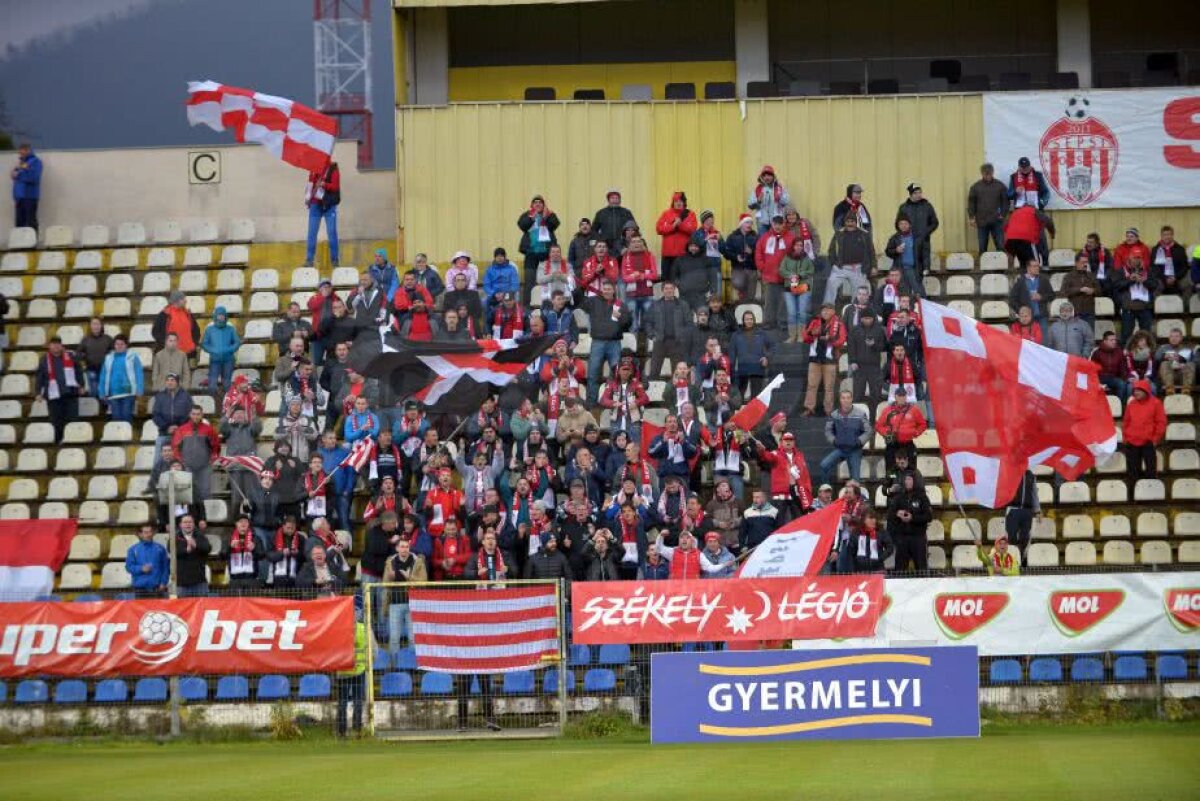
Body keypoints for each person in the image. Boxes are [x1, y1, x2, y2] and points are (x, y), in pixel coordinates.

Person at [748, 432, 812, 526]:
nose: (788, 442)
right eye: (786, 440)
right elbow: (766, 456)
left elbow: (804, 474)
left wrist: (806, 489)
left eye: (790, 440)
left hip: (797, 492)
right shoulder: (776, 454)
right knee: (779, 521)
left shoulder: (799, 455)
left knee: (799, 520)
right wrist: (761, 449)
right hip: (781, 494)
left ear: (794, 442)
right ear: (781, 442)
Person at [382, 536, 427, 649]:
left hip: (413, 603)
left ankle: (414, 665)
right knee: (394, 638)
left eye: (407, 547)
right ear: (397, 548)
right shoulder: (390, 561)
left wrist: (409, 577)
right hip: (394, 603)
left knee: (413, 638)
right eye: (402, 547)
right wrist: (391, 578)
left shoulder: (418, 561)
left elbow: (423, 582)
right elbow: (385, 583)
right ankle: (393, 665)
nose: (404, 549)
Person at [801, 303, 846, 416]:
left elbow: (841, 340)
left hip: (830, 360)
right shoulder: (814, 322)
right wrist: (812, 333)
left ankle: (828, 410)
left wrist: (829, 339)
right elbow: (805, 337)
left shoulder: (839, 324)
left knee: (829, 387)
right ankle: (809, 408)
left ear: (833, 311)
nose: (825, 312)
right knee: (811, 385)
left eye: (828, 310)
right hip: (814, 359)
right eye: (823, 310)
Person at [35, 336, 82, 443]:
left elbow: (78, 371)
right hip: (53, 396)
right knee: (56, 421)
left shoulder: (70, 356)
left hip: (70, 394)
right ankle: (59, 442)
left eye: (58, 343)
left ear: (62, 345)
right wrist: (38, 392)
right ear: (49, 346)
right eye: (53, 343)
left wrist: (81, 385)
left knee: (73, 420)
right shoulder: (44, 360)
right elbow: (39, 377)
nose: (56, 346)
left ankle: (73, 441)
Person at [517, 194, 560, 306]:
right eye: (535, 203)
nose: (537, 204)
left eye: (540, 202)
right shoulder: (527, 215)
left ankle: (549, 304)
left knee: (547, 280)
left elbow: (555, 224)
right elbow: (522, 225)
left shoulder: (550, 214)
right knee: (530, 282)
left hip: (546, 253)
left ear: (543, 205)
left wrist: (545, 217)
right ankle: (528, 307)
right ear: (532, 205)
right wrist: (532, 217)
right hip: (531, 253)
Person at [825, 210, 875, 306]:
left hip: (858, 268)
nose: (850, 224)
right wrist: (834, 264)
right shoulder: (838, 234)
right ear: (845, 222)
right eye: (848, 222)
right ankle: (827, 309)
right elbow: (831, 251)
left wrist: (874, 266)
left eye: (852, 221)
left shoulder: (864, 234)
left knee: (859, 293)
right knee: (831, 283)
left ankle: (855, 311)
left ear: (856, 222)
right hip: (840, 268)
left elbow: (871, 252)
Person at [820, 390, 871, 484]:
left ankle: (856, 497)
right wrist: (834, 440)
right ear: (840, 400)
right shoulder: (834, 415)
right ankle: (826, 490)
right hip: (841, 449)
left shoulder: (860, 414)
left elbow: (868, 431)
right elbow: (828, 431)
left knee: (855, 481)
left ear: (851, 399)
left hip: (855, 450)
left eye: (848, 397)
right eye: (843, 398)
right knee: (824, 465)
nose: (846, 400)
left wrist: (859, 441)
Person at [1123, 379, 1166, 487]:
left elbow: (1161, 422)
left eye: (1138, 390)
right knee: (1133, 472)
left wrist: (1155, 438)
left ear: (1146, 391)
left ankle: (1150, 497)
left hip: (1148, 442)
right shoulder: (1131, 404)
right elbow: (1126, 421)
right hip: (1132, 442)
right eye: (1134, 390)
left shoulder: (1156, 403)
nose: (1136, 392)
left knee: (1151, 470)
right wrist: (1126, 437)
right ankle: (1133, 498)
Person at [171, 405, 220, 502]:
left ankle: (204, 517)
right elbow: (175, 447)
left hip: (204, 467)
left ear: (202, 415)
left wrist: (212, 459)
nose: (196, 416)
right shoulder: (181, 430)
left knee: (205, 493)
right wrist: (181, 462)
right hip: (187, 466)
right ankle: (189, 516)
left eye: (198, 414)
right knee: (186, 492)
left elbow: (216, 446)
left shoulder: (209, 430)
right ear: (190, 414)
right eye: (193, 414)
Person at [754, 214, 794, 331]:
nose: (777, 226)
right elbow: (758, 253)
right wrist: (762, 267)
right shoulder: (765, 238)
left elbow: (795, 254)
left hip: (785, 276)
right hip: (769, 275)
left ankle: (783, 323)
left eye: (779, 224)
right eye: (775, 224)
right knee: (769, 301)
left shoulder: (790, 238)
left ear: (783, 225)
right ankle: (768, 322)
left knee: (784, 301)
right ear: (772, 224)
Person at [334, 598, 367, 737]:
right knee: (358, 700)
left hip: (343, 670)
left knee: (342, 701)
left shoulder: (338, 629)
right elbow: (373, 650)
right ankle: (357, 729)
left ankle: (341, 731)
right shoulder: (362, 628)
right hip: (359, 669)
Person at [645, 281, 691, 379]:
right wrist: (652, 336)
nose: (669, 290)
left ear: (674, 290)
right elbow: (648, 322)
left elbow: (689, 323)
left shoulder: (683, 305)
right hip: (660, 342)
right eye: (666, 288)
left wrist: (683, 336)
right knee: (654, 372)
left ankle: (676, 392)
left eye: (671, 288)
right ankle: (653, 392)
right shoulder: (655, 305)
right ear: (662, 290)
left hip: (677, 343)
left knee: (678, 374)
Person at [895, 183, 939, 284]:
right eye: (916, 193)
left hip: (923, 242)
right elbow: (898, 224)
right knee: (909, 269)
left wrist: (925, 232)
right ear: (910, 194)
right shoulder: (904, 207)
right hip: (908, 243)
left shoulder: (927, 206)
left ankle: (921, 293)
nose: (918, 195)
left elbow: (935, 223)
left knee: (922, 270)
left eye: (920, 192)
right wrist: (905, 235)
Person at [875, 386, 927, 471]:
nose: (901, 398)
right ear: (895, 397)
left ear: (906, 397)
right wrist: (887, 432)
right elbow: (878, 425)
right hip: (893, 442)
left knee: (911, 465)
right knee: (890, 464)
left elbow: (923, 424)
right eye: (899, 396)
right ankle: (891, 481)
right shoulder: (887, 410)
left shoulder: (914, 410)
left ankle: (910, 481)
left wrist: (916, 432)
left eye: (903, 396)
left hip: (908, 442)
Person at [887, 474, 931, 572]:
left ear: (914, 481)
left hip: (918, 537)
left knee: (921, 568)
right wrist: (898, 514)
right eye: (905, 479)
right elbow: (890, 515)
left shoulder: (922, 497)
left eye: (910, 479)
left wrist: (912, 518)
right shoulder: (898, 497)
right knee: (900, 569)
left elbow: (928, 517)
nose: (907, 481)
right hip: (902, 537)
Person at [97, 335, 144, 423]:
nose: (119, 346)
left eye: (122, 344)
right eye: (117, 344)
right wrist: (102, 392)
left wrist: (139, 389)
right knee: (116, 418)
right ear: (114, 345)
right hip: (113, 393)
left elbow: (139, 374)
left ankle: (127, 436)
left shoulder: (133, 357)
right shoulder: (108, 358)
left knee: (126, 417)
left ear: (126, 345)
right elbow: (103, 375)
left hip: (128, 393)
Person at [1114, 252, 1159, 343]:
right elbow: (1117, 285)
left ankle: (1148, 355)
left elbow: (1154, 285)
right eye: (1134, 257)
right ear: (1129, 258)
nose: (1137, 260)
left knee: (1147, 335)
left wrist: (1144, 281)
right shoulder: (1122, 270)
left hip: (1145, 307)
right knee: (1126, 334)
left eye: (1139, 257)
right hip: (1128, 307)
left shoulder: (1148, 270)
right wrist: (1130, 280)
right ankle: (1125, 354)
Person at [655, 191, 698, 283]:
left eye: (681, 201)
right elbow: (659, 229)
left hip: (683, 254)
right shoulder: (665, 214)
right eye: (676, 201)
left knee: (682, 280)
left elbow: (693, 230)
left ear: (684, 202)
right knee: (666, 280)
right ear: (673, 202)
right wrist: (673, 226)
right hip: (667, 254)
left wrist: (680, 225)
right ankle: (667, 297)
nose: (678, 203)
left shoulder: (690, 214)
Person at [304, 160, 340, 268]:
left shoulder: (333, 168)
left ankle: (335, 260)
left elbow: (335, 186)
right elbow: (310, 184)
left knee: (331, 232)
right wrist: (307, 197)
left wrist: (323, 184)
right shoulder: (314, 167)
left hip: (328, 204)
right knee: (311, 233)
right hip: (315, 204)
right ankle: (309, 260)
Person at [619, 235, 658, 335]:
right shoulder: (625, 257)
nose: (636, 244)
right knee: (634, 324)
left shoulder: (650, 255)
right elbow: (624, 277)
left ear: (642, 244)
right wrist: (634, 277)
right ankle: (633, 349)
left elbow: (654, 275)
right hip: (632, 295)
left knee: (648, 323)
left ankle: (648, 348)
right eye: (633, 242)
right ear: (630, 245)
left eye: (639, 241)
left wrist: (642, 276)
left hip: (647, 294)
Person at [779, 237, 816, 342]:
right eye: (797, 245)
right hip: (789, 288)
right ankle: (792, 336)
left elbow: (811, 270)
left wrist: (800, 275)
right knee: (791, 313)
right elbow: (781, 270)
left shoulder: (807, 258)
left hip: (804, 287)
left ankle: (801, 335)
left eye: (801, 245)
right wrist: (791, 275)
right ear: (793, 246)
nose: (799, 247)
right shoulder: (786, 257)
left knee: (802, 312)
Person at [847, 309, 887, 404]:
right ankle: (857, 417)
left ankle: (874, 418)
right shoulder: (854, 330)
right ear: (861, 319)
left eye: (869, 318)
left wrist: (874, 345)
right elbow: (851, 347)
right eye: (865, 318)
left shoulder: (879, 330)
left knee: (876, 395)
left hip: (874, 366)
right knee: (857, 394)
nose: (867, 320)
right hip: (859, 367)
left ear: (873, 318)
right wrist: (852, 361)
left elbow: (884, 346)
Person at [967, 162, 1008, 253]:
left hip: (997, 220)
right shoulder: (975, 187)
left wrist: (1003, 214)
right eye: (986, 173)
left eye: (989, 173)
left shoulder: (1000, 186)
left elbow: (1005, 201)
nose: (988, 175)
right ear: (981, 173)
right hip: (982, 221)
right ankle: (983, 265)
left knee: (1000, 245)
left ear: (993, 172)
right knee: (982, 246)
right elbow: (971, 203)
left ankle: (1001, 264)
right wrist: (971, 217)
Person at [199, 306, 240, 397]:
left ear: (225, 316)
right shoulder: (210, 330)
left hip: (228, 360)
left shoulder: (230, 329)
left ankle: (228, 404)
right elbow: (204, 343)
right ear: (215, 316)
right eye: (219, 315)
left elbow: (237, 342)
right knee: (212, 384)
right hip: (215, 360)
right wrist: (213, 350)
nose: (221, 317)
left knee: (227, 384)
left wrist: (229, 350)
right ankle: (213, 403)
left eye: (222, 315)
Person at [1008, 260, 1054, 339]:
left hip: (1042, 317)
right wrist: (1020, 310)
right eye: (1034, 266)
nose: (1037, 268)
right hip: (1027, 318)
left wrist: (1041, 297)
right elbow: (1012, 299)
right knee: (1030, 343)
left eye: (1038, 266)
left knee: (1043, 341)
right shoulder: (1020, 281)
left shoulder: (1044, 279)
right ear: (1028, 268)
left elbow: (1052, 295)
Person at [730, 310, 771, 397]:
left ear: (754, 320)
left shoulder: (761, 333)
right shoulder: (736, 335)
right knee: (738, 397)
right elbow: (732, 353)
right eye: (747, 319)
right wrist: (732, 369)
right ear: (743, 321)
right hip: (742, 369)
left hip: (757, 368)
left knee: (756, 397)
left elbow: (772, 347)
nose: (749, 321)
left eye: (751, 319)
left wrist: (766, 357)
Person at [723, 214, 760, 302]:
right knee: (738, 284)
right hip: (738, 268)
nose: (749, 225)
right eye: (747, 222)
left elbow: (760, 253)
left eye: (751, 223)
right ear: (741, 224)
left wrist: (752, 252)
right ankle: (741, 297)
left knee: (750, 296)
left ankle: (749, 311)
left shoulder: (756, 237)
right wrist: (736, 257)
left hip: (751, 269)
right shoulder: (732, 237)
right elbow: (726, 253)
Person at [125, 524, 169, 597]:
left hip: (157, 588)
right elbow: (129, 567)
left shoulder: (160, 548)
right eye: (145, 532)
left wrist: (163, 582)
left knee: (157, 609)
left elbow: (165, 567)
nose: (149, 534)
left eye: (150, 532)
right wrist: (141, 569)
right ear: (140, 534)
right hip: (140, 588)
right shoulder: (133, 549)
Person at [152, 290, 201, 356]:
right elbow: (155, 332)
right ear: (177, 300)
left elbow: (196, 330)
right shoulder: (165, 314)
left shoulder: (187, 314)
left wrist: (194, 343)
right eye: (183, 299)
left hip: (187, 353)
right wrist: (165, 344)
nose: (185, 301)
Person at [1002, 470, 1039, 555]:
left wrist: (1037, 510)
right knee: (1011, 536)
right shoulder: (1009, 472)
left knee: (1025, 537)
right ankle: (1012, 558)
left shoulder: (1031, 475)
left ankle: (1022, 559)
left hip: (1027, 511)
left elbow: (1034, 493)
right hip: (1013, 509)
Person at [77, 318, 115, 401]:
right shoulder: (85, 340)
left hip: (106, 371)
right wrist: (84, 364)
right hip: (91, 370)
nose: (95, 326)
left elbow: (115, 352)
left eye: (98, 324)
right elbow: (79, 353)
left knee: (106, 393)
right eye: (93, 324)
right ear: (90, 326)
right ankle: (96, 411)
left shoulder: (108, 339)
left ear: (101, 326)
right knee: (94, 393)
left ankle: (105, 410)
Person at [175, 515, 212, 597]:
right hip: (182, 583)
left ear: (194, 524)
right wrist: (186, 550)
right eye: (185, 522)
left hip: (199, 581)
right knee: (182, 608)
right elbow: (172, 551)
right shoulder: (175, 538)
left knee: (202, 607)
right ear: (180, 525)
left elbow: (208, 548)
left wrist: (196, 546)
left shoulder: (200, 536)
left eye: (190, 522)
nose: (188, 524)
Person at [1091, 330, 1132, 403]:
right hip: (1100, 378)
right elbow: (1093, 370)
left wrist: (1125, 378)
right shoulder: (1097, 353)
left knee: (1122, 384)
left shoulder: (1119, 352)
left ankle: (1119, 405)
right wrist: (1097, 382)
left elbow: (1123, 367)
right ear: (1105, 341)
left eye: (1115, 340)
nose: (1114, 342)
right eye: (1111, 340)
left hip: (1114, 377)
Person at [592, 188, 636, 255]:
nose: (615, 200)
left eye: (617, 198)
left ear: (620, 200)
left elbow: (634, 227)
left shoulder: (626, 212)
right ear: (608, 200)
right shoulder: (601, 213)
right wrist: (600, 240)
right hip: (606, 246)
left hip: (623, 246)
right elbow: (594, 230)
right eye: (612, 198)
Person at [1150, 225, 1189, 299]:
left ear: (1172, 235)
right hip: (1161, 277)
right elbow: (1154, 268)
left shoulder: (1180, 249)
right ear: (1161, 236)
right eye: (1165, 235)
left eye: (1169, 234)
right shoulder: (1156, 249)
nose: (1167, 237)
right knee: (1155, 285)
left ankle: (1184, 308)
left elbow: (1184, 267)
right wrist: (1165, 278)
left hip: (1177, 277)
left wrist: (1175, 277)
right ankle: (1156, 309)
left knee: (1187, 285)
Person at [748, 165, 790, 233]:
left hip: (776, 221)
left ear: (773, 177)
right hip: (762, 222)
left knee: (777, 240)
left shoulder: (779, 188)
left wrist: (779, 197)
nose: (766, 177)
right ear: (762, 177)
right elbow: (750, 204)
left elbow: (786, 201)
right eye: (764, 175)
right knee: (763, 241)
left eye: (769, 175)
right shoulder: (758, 189)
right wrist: (757, 201)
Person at [1061, 252, 1101, 324]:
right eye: (1083, 262)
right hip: (1075, 313)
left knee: (1089, 335)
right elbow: (1063, 292)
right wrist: (1079, 290)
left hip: (1089, 313)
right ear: (1076, 263)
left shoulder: (1092, 276)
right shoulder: (1069, 276)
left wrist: (1093, 291)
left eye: (1086, 262)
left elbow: (1100, 290)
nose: (1085, 264)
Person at [10, 143, 42, 232]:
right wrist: (14, 174)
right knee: (19, 223)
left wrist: (18, 176)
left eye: (22, 152)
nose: (20, 154)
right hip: (20, 197)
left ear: (28, 150)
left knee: (30, 221)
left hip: (30, 196)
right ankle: (20, 243)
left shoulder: (35, 162)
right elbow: (16, 176)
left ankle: (32, 242)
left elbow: (34, 178)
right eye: (20, 153)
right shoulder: (21, 163)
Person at [482, 247, 521, 321]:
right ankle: (488, 328)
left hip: (508, 294)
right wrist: (494, 293)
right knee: (485, 303)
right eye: (497, 256)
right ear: (495, 258)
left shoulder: (511, 269)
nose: (499, 258)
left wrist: (504, 293)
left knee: (508, 301)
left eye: (501, 256)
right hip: (494, 294)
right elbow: (486, 285)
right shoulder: (489, 269)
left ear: (505, 257)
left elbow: (515, 284)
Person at [1156, 328, 1195, 395]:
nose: (1174, 338)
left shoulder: (1187, 349)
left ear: (1181, 338)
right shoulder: (1163, 348)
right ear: (1169, 338)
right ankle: (1169, 388)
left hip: (1183, 375)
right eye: (1172, 336)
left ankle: (1186, 388)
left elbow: (1193, 361)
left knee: (1190, 364)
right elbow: (1157, 358)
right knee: (1164, 363)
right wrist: (1175, 359)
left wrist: (1181, 363)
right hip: (1168, 375)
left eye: (1177, 336)